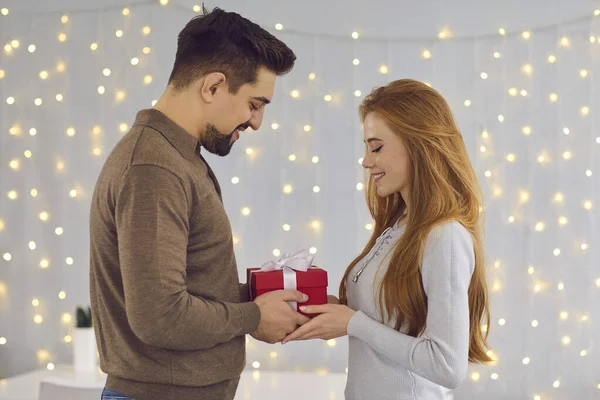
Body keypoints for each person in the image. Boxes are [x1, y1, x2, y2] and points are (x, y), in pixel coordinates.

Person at [89, 7, 309, 400]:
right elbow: (160, 317)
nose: (256, 122)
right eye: (254, 105)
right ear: (212, 86)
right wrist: (254, 317)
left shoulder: (176, 157)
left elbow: (185, 290)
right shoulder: (154, 167)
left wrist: (266, 298)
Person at [283, 79, 492, 399]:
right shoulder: (398, 227)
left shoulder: (444, 236)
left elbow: (447, 366)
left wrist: (353, 323)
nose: (367, 161)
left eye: (376, 147)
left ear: (417, 144)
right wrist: (334, 312)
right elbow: (388, 320)